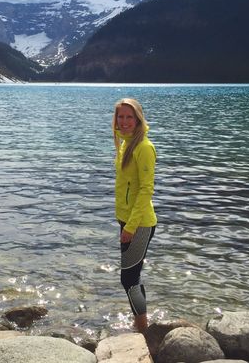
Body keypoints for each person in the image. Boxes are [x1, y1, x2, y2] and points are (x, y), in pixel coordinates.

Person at [112, 98, 157, 333]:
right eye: (121, 117)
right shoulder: (125, 144)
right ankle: (140, 324)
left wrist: (130, 226)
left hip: (139, 224)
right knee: (130, 278)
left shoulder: (144, 147)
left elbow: (145, 190)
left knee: (129, 279)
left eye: (130, 117)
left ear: (138, 118)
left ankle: (142, 329)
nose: (125, 121)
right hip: (127, 221)